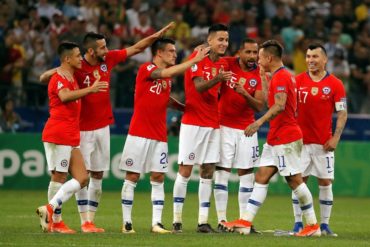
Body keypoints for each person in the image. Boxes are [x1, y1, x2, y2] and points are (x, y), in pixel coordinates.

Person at [39, 22, 174, 233]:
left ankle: (89, 221)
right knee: (79, 177)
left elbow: (136, 48)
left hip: (103, 127)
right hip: (81, 128)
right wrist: (50, 73)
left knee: (98, 174)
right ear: (91, 50)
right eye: (102, 47)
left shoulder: (107, 60)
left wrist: (155, 35)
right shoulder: (76, 65)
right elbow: (49, 76)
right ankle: (75, 220)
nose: (107, 50)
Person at [221, 40, 320, 237]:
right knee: (261, 177)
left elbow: (280, 105)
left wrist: (258, 123)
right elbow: (270, 102)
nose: (257, 60)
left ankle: (313, 225)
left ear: (269, 58)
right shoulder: (277, 76)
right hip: (275, 137)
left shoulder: (282, 77)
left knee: (295, 180)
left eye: (260, 57)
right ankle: (246, 221)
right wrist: (263, 80)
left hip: (286, 136)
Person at [119, 38, 210, 234]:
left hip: (159, 134)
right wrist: (195, 59)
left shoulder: (166, 79)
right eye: (170, 51)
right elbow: (168, 72)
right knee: (132, 176)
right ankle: (127, 223)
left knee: (158, 177)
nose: (174, 54)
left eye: (175, 51)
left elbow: (163, 96)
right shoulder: (146, 69)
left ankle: (156, 223)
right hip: (139, 133)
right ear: (158, 53)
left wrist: (181, 107)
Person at [36, 41, 108, 233]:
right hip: (58, 132)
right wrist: (90, 89)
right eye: (77, 55)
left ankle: (50, 209)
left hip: (70, 134)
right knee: (59, 176)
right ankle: (56, 222)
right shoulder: (59, 77)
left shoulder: (70, 73)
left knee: (83, 178)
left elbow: (44, 76)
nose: (81, 58)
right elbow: (65, 96)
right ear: (67, 59)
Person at [172, 23, 233, 233]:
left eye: (226, 40)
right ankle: (177, 219)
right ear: (209, 40)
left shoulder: (224, 64)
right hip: (193, 123)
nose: (224, 43)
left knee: (208, 171)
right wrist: (217, 78)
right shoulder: (196, 58)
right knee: (185, 170)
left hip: (213, 124)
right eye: (220, 39)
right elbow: (198, 87)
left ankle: (203, 221)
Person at [291, 43, 347, 236]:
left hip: (324, 143)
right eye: (308, 57)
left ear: (325, 60)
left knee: (325, 182)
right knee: (299, 182)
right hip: (300, 143)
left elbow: (342, 113)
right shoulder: (296, 81)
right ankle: (298, 224)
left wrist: (335, 138)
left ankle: (324, 225)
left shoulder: (336, 84)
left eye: (314, 57)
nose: (310, 60)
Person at [213, 39, 264, 232]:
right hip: (224, 126)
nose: (252, 56)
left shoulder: (259, 73)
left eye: (255, 53)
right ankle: (221, 220)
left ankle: (244, 222)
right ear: (239, 53)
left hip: (246, 129)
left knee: (246, 174)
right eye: (248, 52)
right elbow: (210, 61)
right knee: (222, 172)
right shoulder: (227, 63)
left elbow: (259, 106)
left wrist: (244, 93)